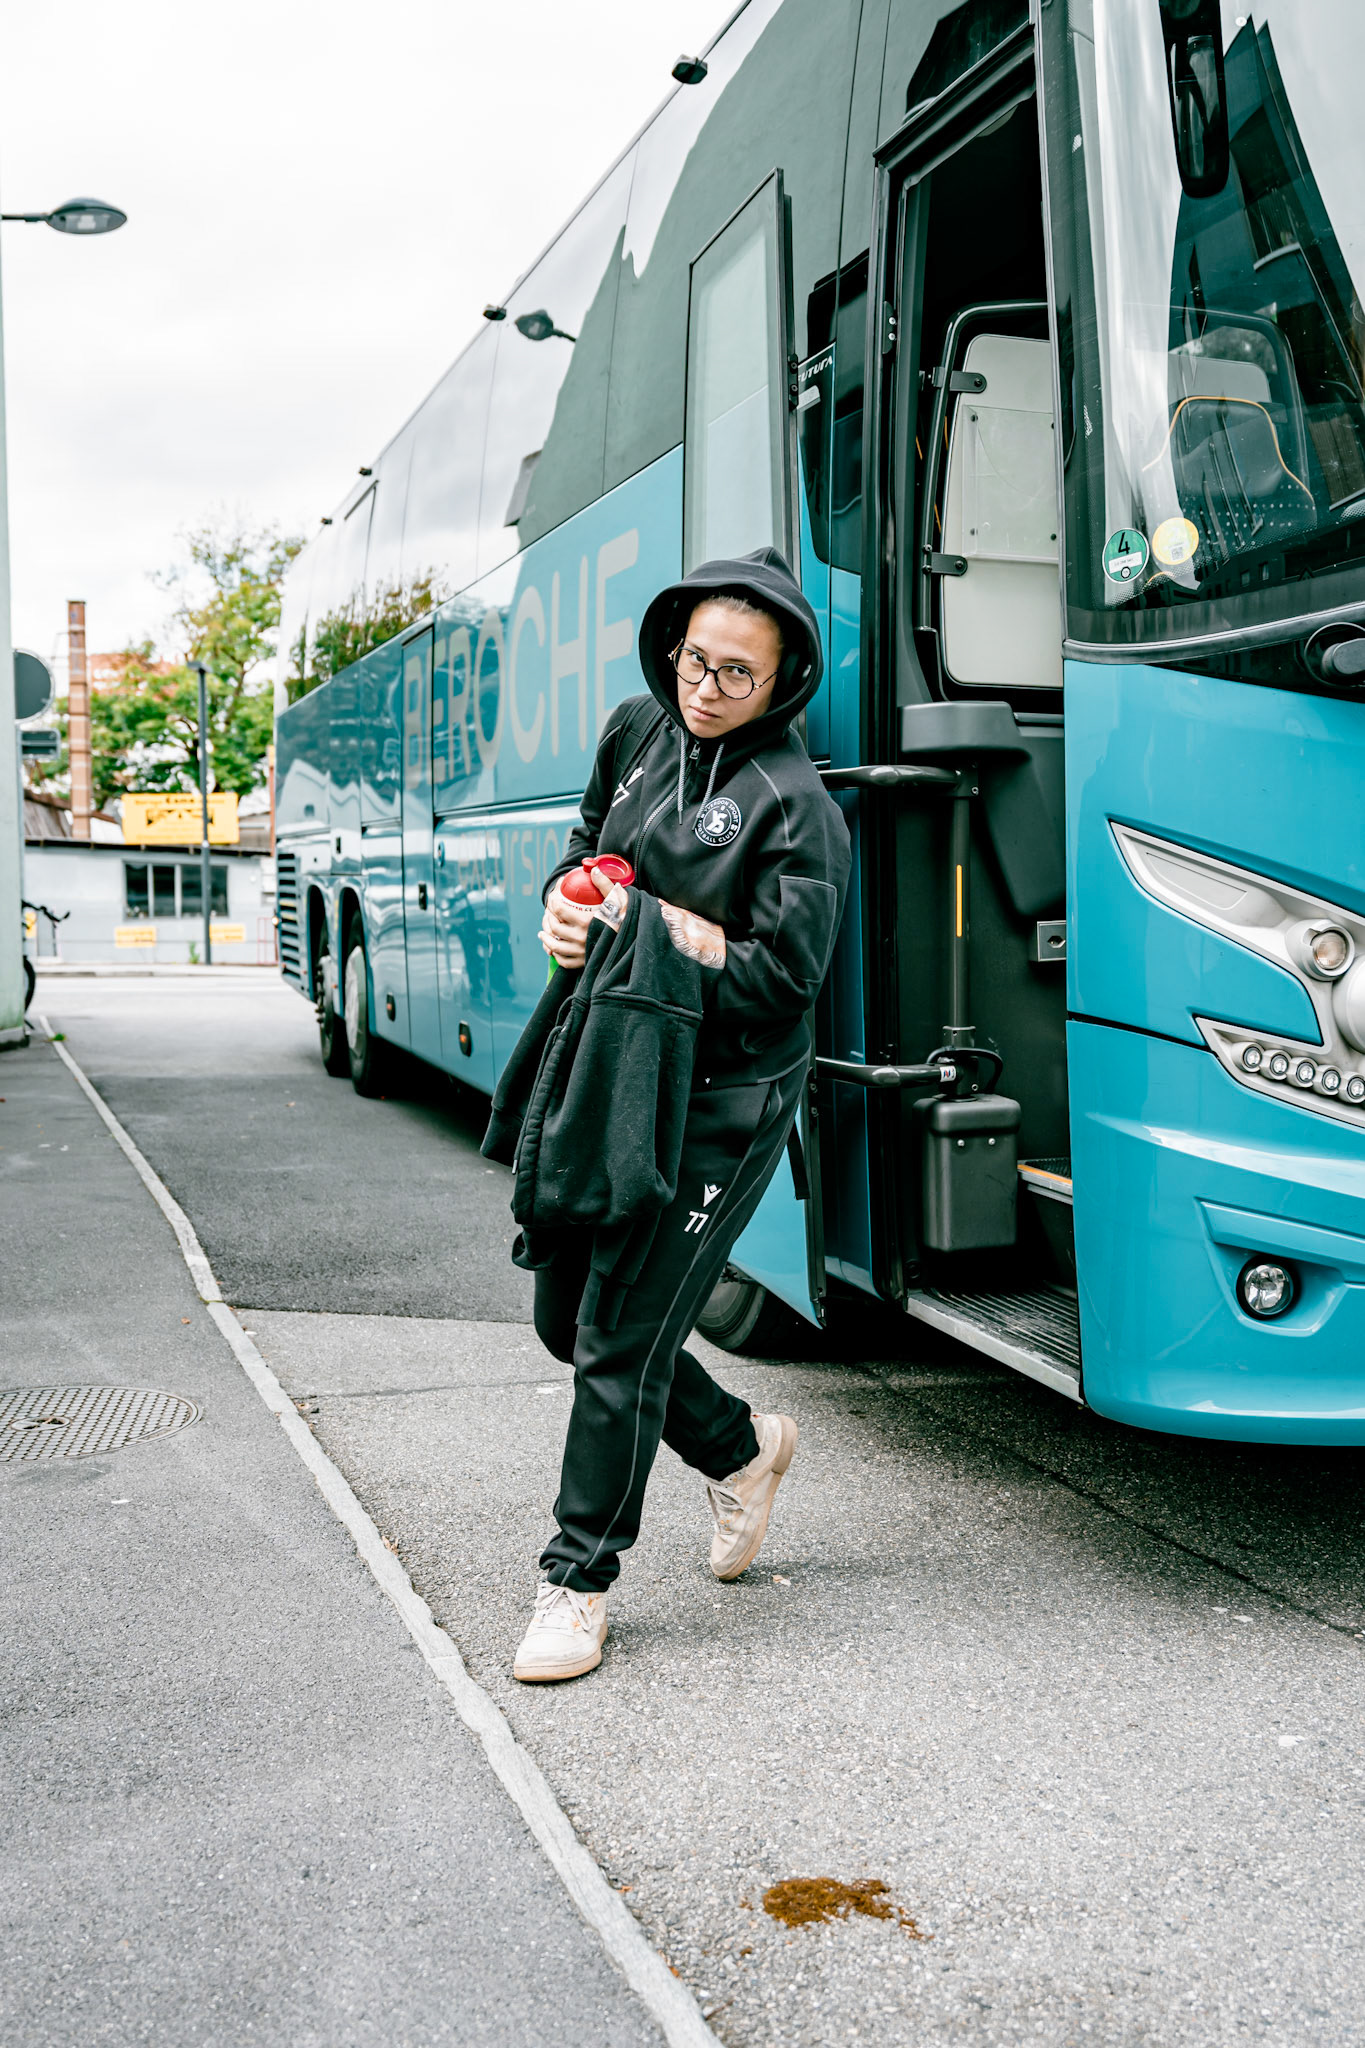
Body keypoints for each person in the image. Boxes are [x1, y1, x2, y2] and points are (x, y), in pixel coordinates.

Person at [511, 546, 851, 1683]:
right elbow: (585, 859)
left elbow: (784, 982)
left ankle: (576, 1583)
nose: (703, 688)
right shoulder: (635, 731)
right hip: (614, 1064)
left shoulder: (798, 809)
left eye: (734, 674)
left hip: (724, 1098)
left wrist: (686, 944)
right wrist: (570, 906)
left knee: (617, 1331)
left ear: (785, 679)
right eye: (693, 659)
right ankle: (742, 1448)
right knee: (567, 1316)